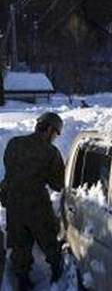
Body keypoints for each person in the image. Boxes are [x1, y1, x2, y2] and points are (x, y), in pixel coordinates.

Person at [1, 112, 65, 290]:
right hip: (36, 205)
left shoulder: (14, 143)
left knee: (20, 245)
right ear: (50, 129)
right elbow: (58, 184)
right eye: (55, 134)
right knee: (49, 240)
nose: (54, 138)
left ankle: (22, 281)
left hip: (12, 202)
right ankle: (57, 275)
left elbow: (9, 170)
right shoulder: (50, 152)